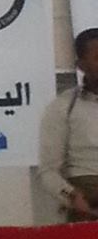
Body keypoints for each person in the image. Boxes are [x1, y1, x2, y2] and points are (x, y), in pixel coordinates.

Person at [38, 27, 98, 221]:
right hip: (88, 203)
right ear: (81, 65)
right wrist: (71, 196)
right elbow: (48, 171)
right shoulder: (64, 107)